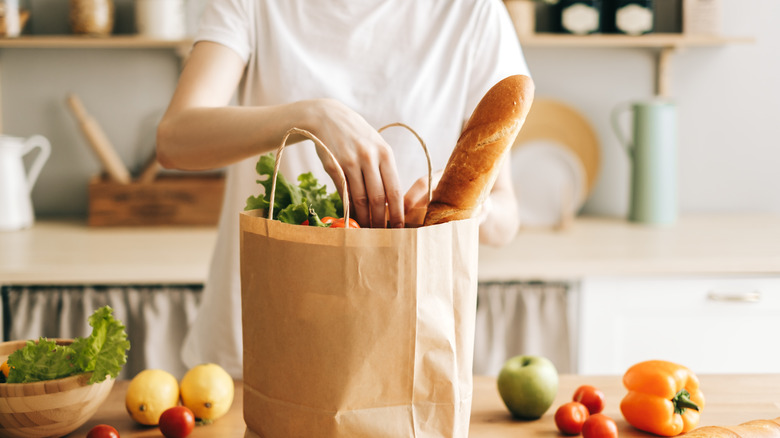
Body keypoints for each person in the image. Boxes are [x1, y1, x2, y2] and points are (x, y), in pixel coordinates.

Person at [157, 0, 531, 378]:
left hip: (399, 347)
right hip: (258, 337)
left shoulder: (471, 11)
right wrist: (312, 116)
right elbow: (174, 140)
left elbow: (505, 217)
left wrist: (467, 204)